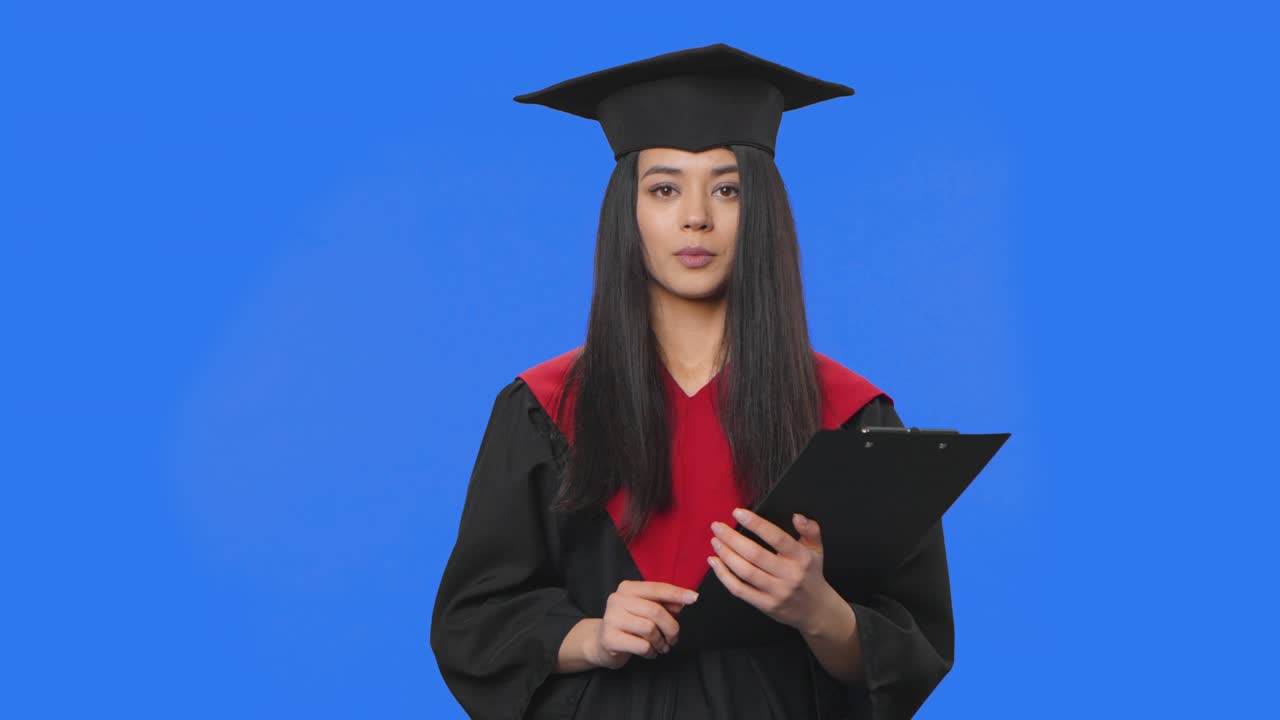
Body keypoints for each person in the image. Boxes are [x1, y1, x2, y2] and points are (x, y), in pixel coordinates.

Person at [430, 43, 954, 720]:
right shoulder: (545, 408)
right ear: (630, 212)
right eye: (665, 188)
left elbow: (912, 648)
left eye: (727, 188)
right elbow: (473, 621)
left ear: (761, 210)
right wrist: (589, 636)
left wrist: (818, 610)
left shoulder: (851, 417)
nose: (695, 217)